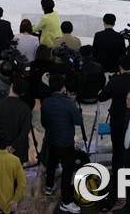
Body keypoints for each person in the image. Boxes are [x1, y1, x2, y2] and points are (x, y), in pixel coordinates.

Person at [97, 55, 130, 211]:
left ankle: (117, 179)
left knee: (118, 151)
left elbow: (101, 96)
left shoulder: (115, 81)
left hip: (118, 122)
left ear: (120, 67)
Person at [41, 73, 83, 214]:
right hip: (65, 142)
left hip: (51, 140)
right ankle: (66, 201)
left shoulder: (45, 102)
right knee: (67, 170)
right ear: (63, 87)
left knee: (52, 163)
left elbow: (44, 123)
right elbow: (78, 121)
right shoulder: (69, 104)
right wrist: (73, 104)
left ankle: (49, 186)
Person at [0, 78, 32, 164]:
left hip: (0, 148)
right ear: (23, 93)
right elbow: (26, 129)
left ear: (11, 86)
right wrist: (13, 146)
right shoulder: (25, 107)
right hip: (18, 149)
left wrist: (1, 145)